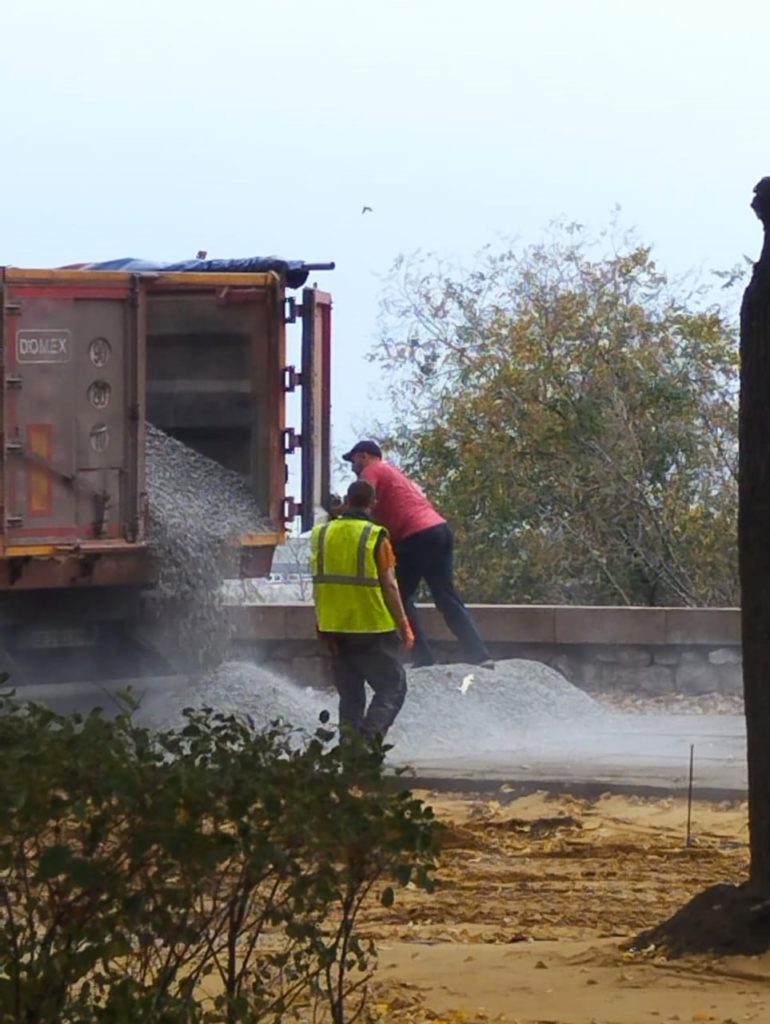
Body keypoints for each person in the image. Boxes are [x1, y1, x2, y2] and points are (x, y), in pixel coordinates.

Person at [342, 439, 492, 669]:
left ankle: (422, 657)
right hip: (439, 529)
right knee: (446, 596)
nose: (353, 467)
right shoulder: (394, 472)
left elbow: (363, 501)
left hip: (416, 535)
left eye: (353, 460)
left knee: (398, 595)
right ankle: (479, 655)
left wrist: (343, 515)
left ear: (363, 456)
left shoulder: (373, 470)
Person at [310, 478, 415, 741]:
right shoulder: (375, 536)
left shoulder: (322, 534)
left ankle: (349, 753)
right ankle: (367, 743)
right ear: (373, 504)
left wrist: (321, 623)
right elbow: (389, 585)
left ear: (347, 500)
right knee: (392, 686)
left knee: (351, 697)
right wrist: (404, 624)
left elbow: (320, 582)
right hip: (370, 626)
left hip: (333, 627)